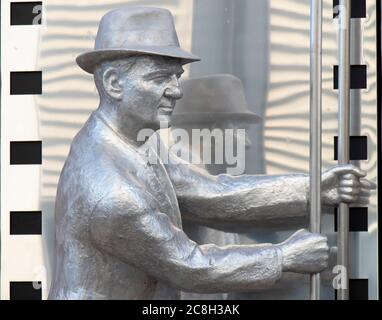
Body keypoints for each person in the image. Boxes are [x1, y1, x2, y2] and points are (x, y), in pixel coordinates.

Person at [48, 6, 374, 300]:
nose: (176, 90)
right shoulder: (109, 190)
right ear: (114, 83)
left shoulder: (137, 141)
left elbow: (209, 192)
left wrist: (313, 188)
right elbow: (189, 265)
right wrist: (283, 257)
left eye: (177, 76)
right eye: (160, 78)